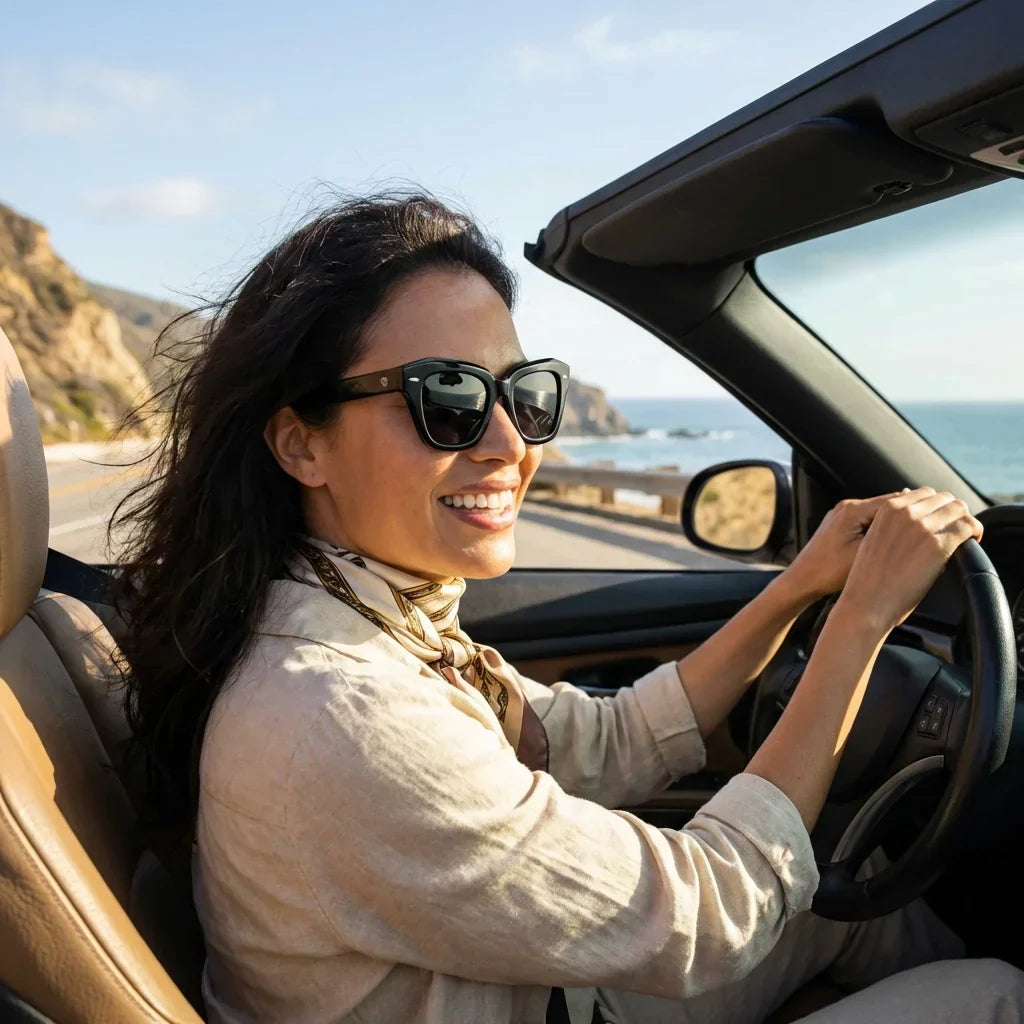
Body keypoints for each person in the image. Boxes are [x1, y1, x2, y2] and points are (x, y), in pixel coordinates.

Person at [114, 191, 1024, 1024]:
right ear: (300, 444)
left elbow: (611, 739)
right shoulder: (340, 713)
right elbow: (715, 914)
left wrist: (800, 590)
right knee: (994, 995)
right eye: (449, 400)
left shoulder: (369, 619)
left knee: (853, 909)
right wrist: (860, 626)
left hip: (528, 989)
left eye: (523, 394)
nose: (510, 443)